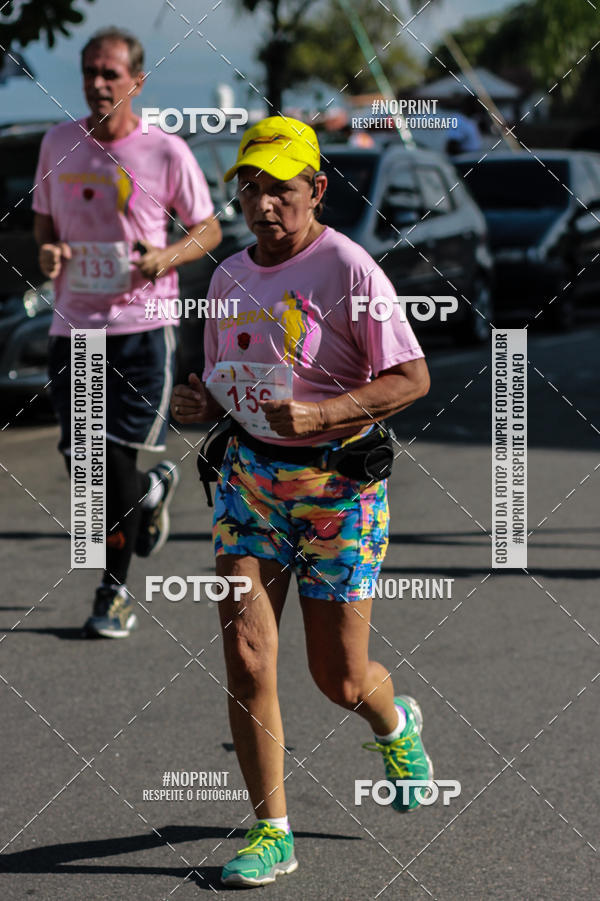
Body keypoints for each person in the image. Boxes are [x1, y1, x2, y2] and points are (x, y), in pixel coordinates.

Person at [171, 116, 431, 887]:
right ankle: (271, 831)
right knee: (248, 658)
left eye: (280, 189)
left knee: (339, 677)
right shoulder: (226, 279)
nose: (263, 205)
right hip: (250, 483)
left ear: (316, 189)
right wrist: (199, 406)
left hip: (338, 489)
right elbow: (226, 386)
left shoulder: (348, 268)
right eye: (249, 190)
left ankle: (394, 718)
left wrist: (320, 414)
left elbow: (412, 380)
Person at [33, 26, 222, 637]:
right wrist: (50, 255)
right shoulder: (58, 143)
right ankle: (150, 493)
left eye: (111, 73)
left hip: (144, 327)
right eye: (90, 72)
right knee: (82, 462)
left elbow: (208, 230)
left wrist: (165, 258)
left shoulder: (166, 151)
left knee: (107, 462)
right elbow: (43, 224)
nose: (98, 83)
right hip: (75, 327)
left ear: (137, 81)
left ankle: (111, 592)